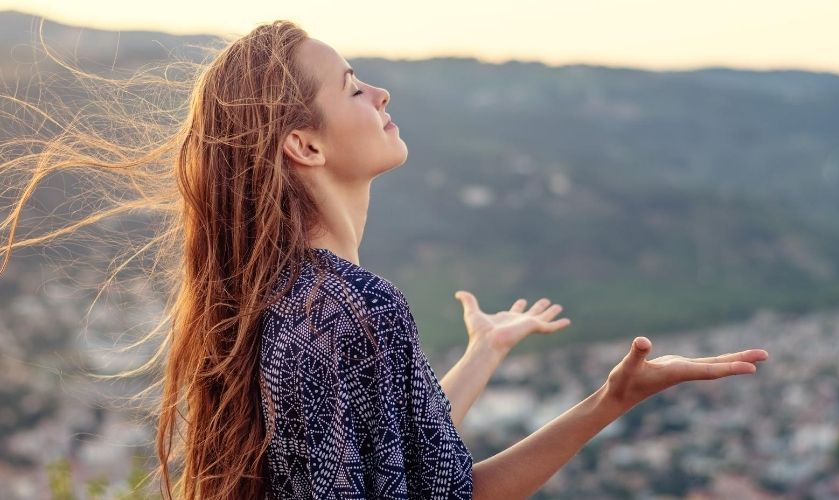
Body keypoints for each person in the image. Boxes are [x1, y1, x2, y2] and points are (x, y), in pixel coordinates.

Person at [0, 19, 769, 500]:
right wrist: (612, 401)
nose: (381, 91)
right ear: (304, 144)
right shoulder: (354, 305)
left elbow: (398, 460)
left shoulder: (288, 302)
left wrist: (483, 355)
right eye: (353, 87)